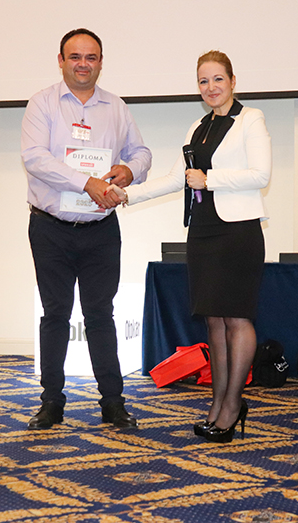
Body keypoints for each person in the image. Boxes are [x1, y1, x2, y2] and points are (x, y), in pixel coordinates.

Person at [107, 50, 271, 443]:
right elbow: (178, 177)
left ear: (233, 81)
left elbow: (260, 174)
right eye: (203, 81)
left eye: (218, 79)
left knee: (237, 319)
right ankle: (218, 404)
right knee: (213, 320)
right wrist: (129, 195)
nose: (211, 87)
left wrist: (209, 179)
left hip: (238, 231)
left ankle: (233, 405)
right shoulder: (198, 127)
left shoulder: (250, 119)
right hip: (203, 231)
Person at [21, 28, 151, 430]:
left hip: (100, 231)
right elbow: (34, 158)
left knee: (100, 315)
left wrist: (130, 170)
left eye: (91, 57)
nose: (83, 64)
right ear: (61, 61)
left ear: (100, 62)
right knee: (55, 315)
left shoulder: (116, 107)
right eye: (75, 57)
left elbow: (141, 153)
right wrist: (86, 182)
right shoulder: (42, 103)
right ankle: (51, 402)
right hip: (50, 229)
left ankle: (112, 402)